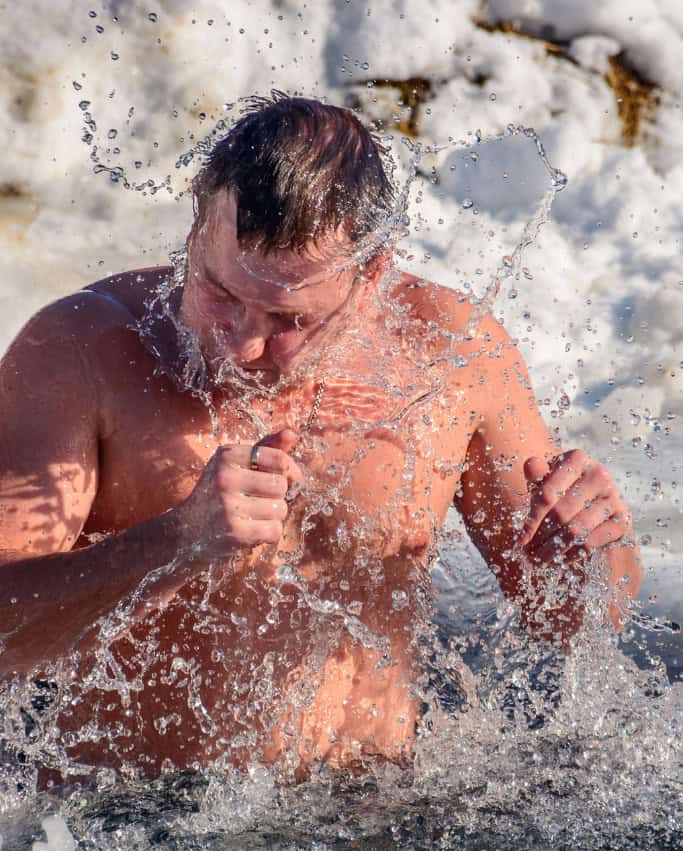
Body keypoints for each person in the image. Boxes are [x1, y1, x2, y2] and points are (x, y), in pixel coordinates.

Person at [0, 94, 641, 783]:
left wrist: (589, 564)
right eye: (218, 291)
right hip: (131, 837)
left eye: (285, 317)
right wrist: (170, 544)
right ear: (196, 223)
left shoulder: (452, 355)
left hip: (364, 832)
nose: (242, 345)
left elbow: (573, 622)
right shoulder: (82, 351)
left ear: (370, 275)